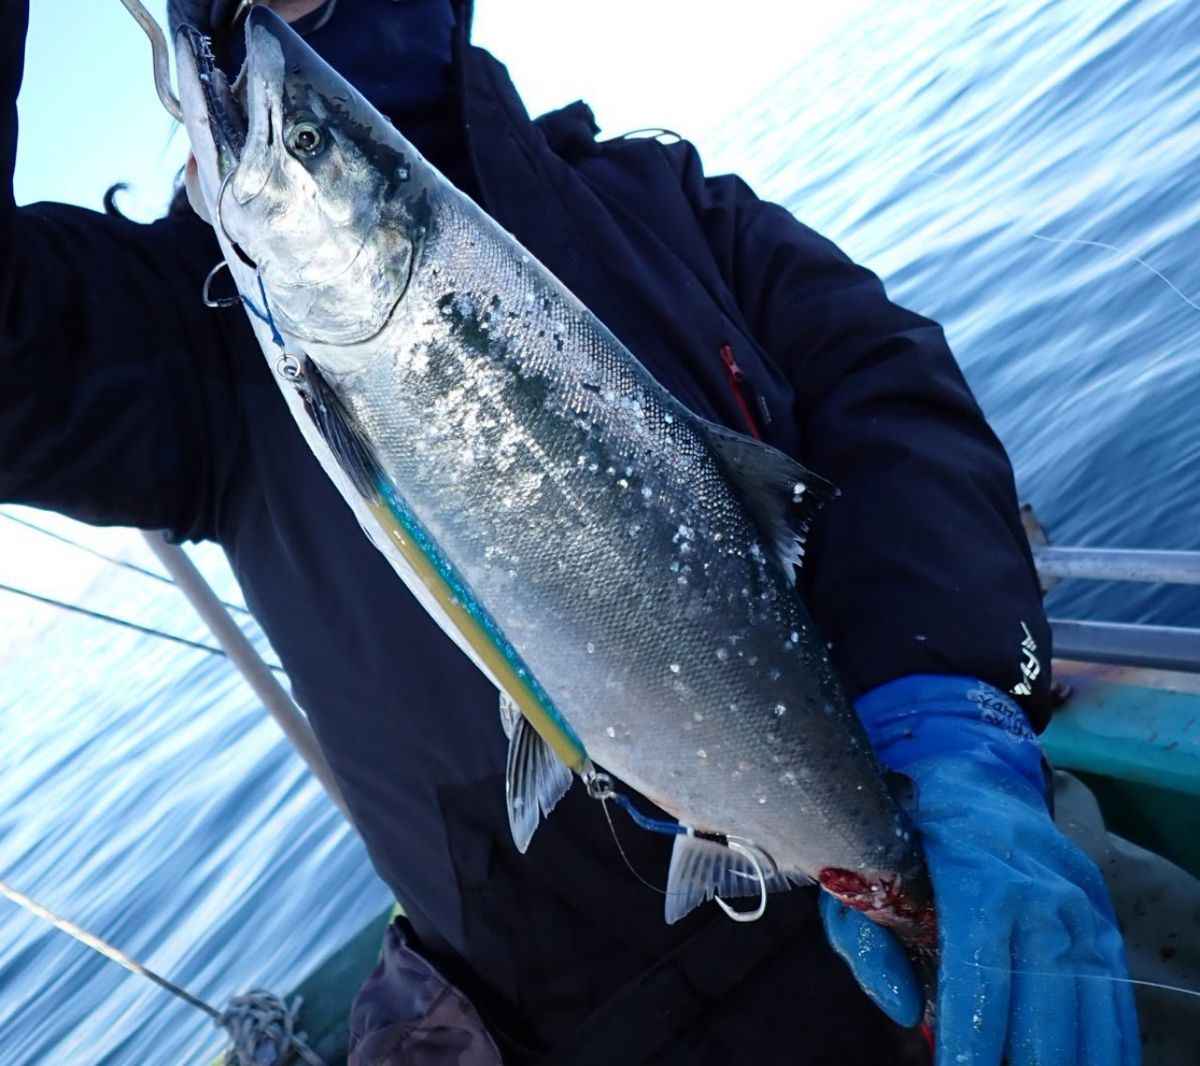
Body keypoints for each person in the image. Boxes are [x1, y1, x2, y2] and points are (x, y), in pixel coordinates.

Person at [0, 0, 1139, 1062]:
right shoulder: (172, 332)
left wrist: (946, 706)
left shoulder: (660, 196)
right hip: (583, 1024)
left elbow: (888, 395)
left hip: (910, 830)